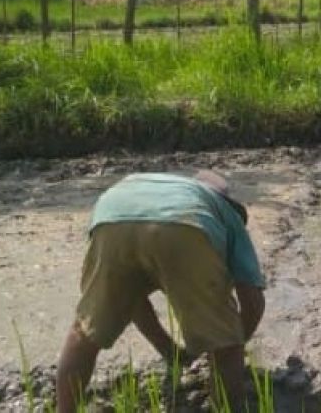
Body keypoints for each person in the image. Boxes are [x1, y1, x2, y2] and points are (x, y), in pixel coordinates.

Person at [55, 169, 265, 412]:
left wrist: (169, 351)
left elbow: (131, 299)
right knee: (225, 341)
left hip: (111, 214)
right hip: (186, 223)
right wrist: (232, 343)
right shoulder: (223, 211)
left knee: (85, 333)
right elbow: (253, 300)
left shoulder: (160, 186)